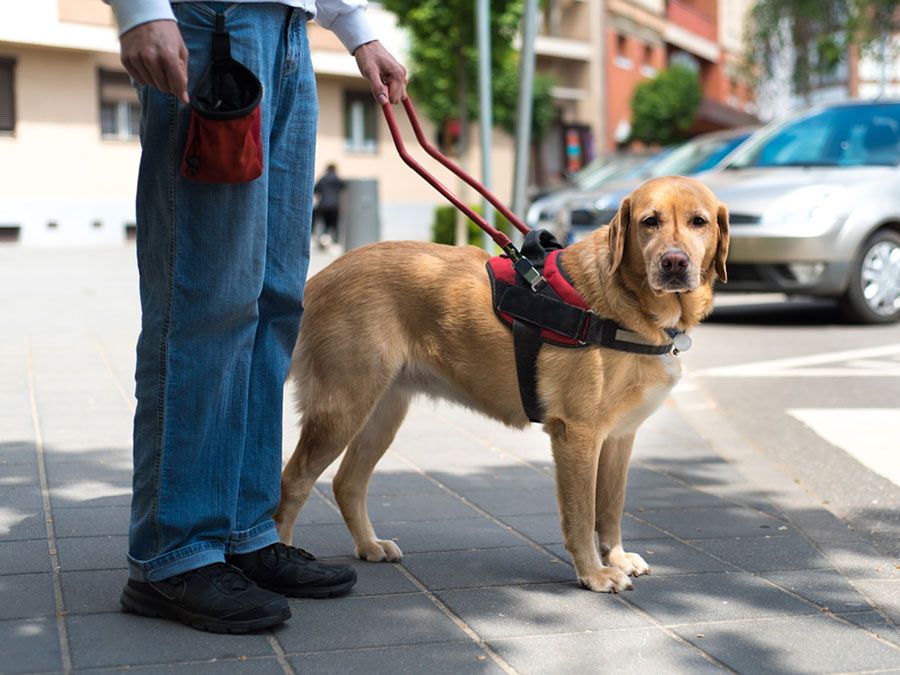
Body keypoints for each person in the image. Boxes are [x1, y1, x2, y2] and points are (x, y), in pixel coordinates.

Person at [105, 0, 408, 633]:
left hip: (289, 33)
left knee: (273, 302)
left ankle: (245, 530)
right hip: (210, 23)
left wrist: (355, 30)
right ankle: (174, 552)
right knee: (205, 300)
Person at [313, 163, 345, 248]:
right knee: (334, 226)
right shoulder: (338, 180)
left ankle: (323, 243)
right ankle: (334, 242)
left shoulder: (322, 179)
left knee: (323, 225)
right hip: (335, 207)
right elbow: (343, 187)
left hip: (323, 206)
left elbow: (315, 190)